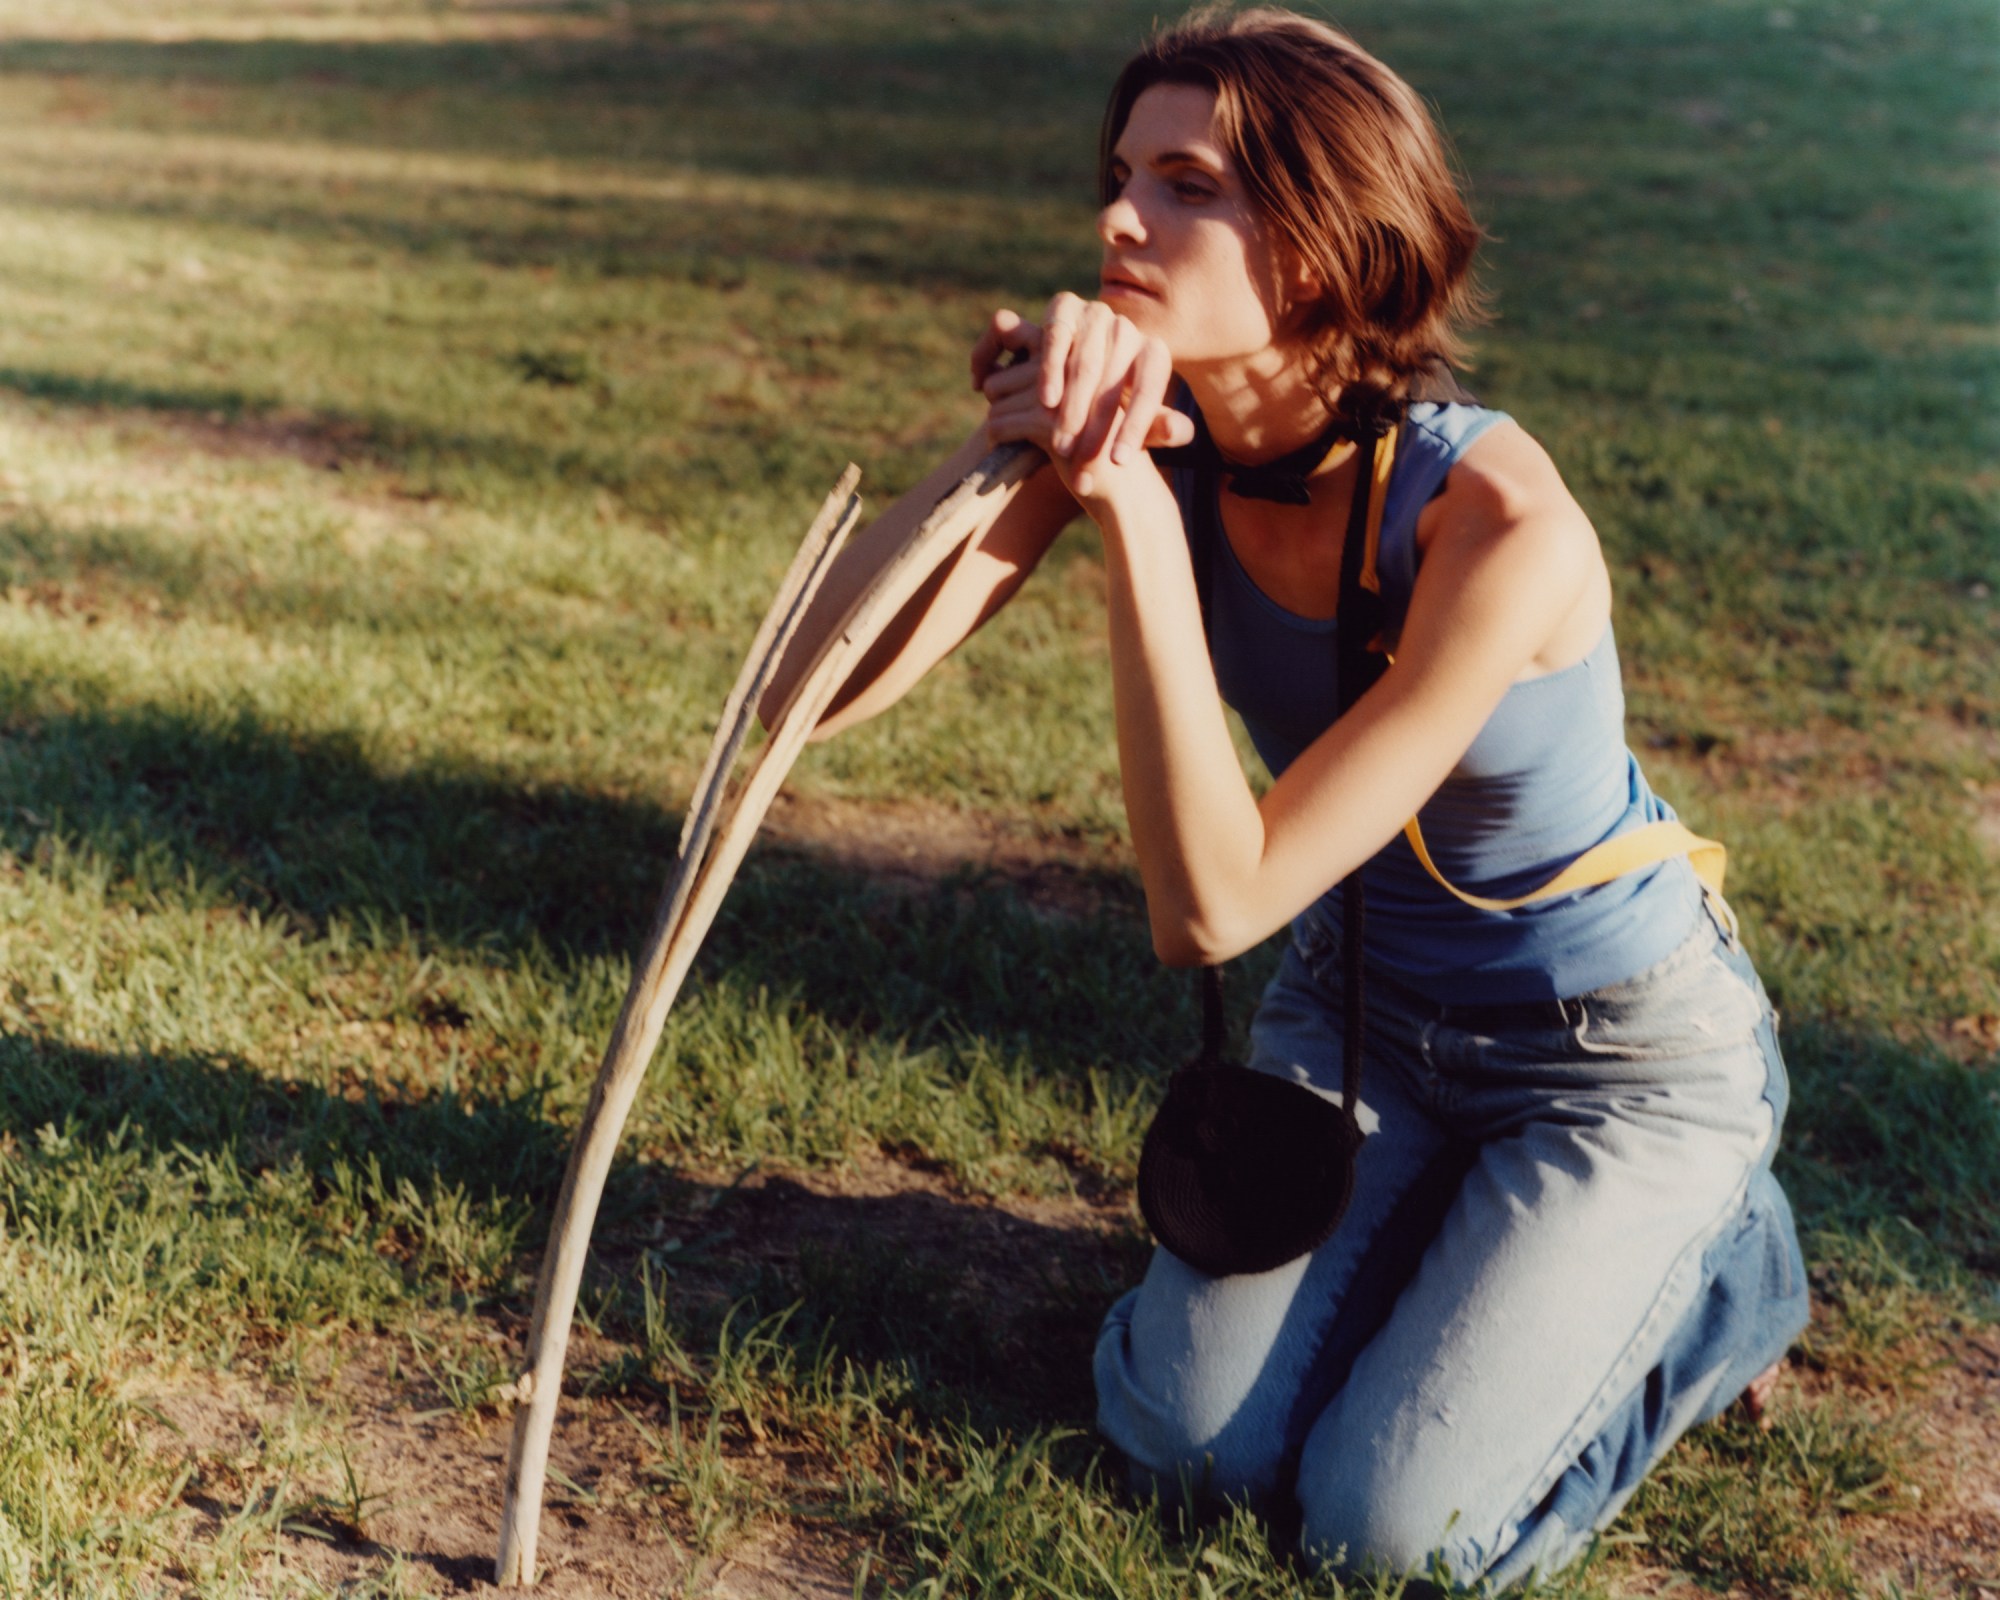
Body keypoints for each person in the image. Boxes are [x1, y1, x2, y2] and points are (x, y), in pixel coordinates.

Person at [762, 7, 1808, 1588]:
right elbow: (804, 697)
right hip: (1367, 1013)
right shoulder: (1161, 431)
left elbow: (1213, 907)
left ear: (1317, 251)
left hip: (1616, 1061)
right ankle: (1465, 1241)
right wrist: (1008, 449)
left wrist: (1123, 511)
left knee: (1382, 1533)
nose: (1117, 218)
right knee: (1183, 1444)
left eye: (1184, 184)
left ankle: (1724, 1268)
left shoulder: (1496, 531)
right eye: (1121, 174)